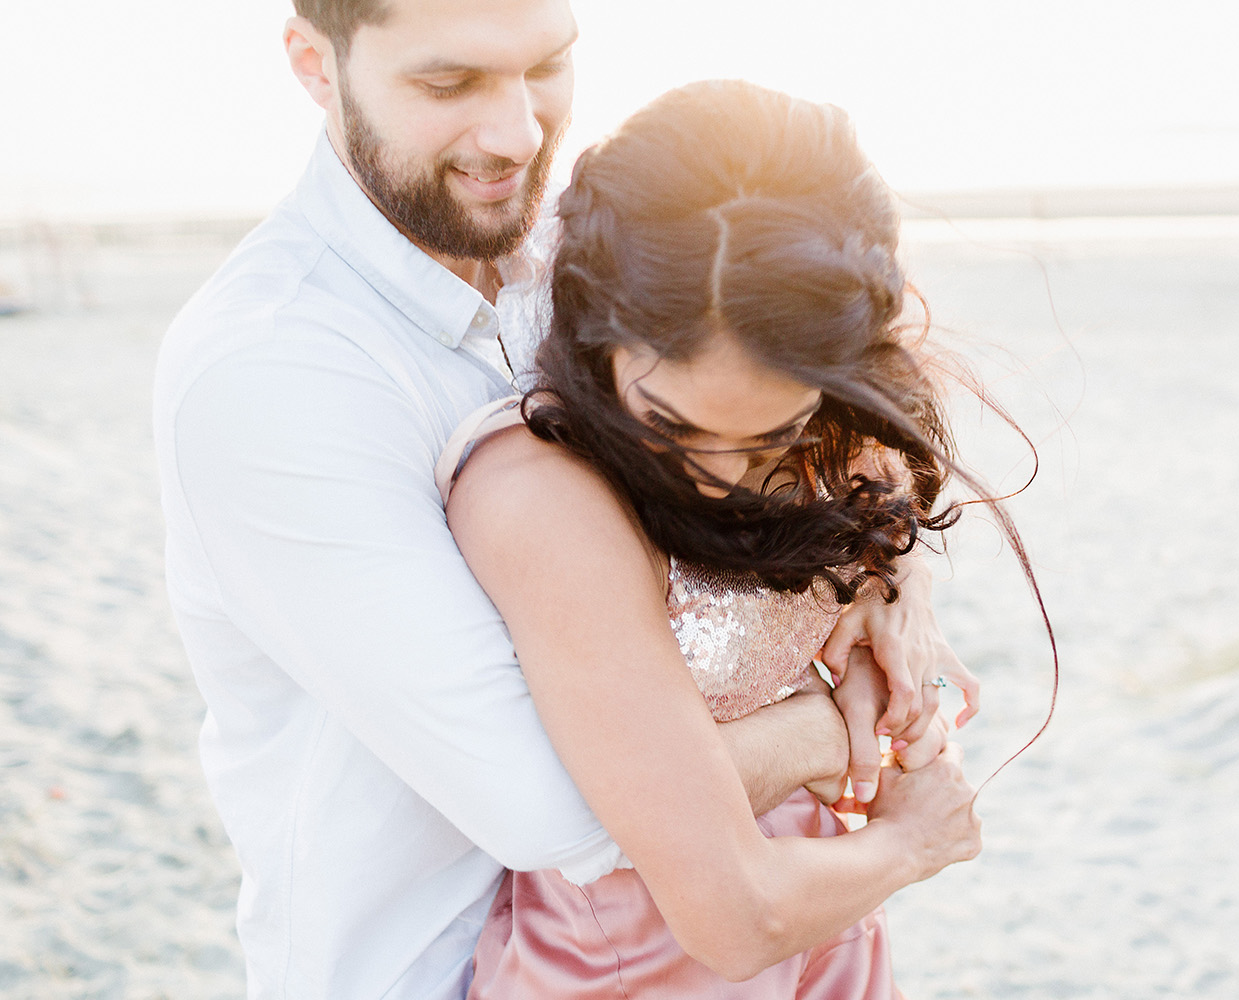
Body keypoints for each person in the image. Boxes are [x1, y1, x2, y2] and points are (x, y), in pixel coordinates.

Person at [152, 2, 976, 997]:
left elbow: (812, 421)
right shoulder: (271, 373)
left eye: (546, 66)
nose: (515, 134)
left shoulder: (600, 248)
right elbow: (560, 807)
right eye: (448, 84)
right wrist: (847, 715)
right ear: (314, 64)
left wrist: (890, 577)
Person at [438, 79, 989, 998]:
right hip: (636, 967)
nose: (721, 479)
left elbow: (874, 525)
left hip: (827, 926)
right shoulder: (537, 491)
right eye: (675, 427)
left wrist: (899, 587)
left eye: (769, 436)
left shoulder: (828, 420)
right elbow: (732, 919)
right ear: (599, 330)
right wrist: (912, 835)